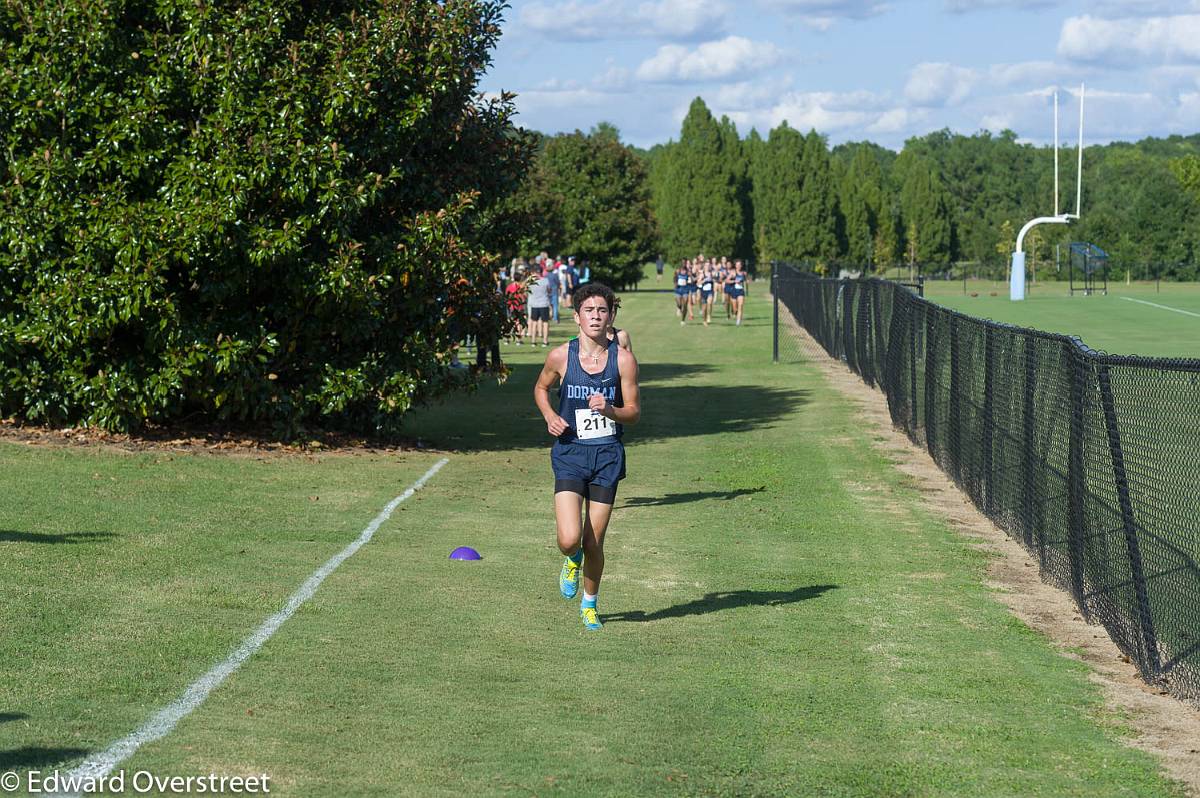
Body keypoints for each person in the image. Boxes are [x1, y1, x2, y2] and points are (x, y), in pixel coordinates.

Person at [533, 283, 641, 631]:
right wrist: (550, 415)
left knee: (595, 540)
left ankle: (590, 604)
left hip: (607, 456)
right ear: (577, 316)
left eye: (602, 310)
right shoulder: (560, 356)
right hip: (570, 452)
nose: (596, 316)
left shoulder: (622, 359)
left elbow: (634, 412)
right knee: (569, 538)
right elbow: (540, 388)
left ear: (611, 316)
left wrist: (610, 410)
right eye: (589, 311)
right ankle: (571, 559)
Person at [527, 267, 552, 346]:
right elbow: (549, 290)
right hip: (544, 303)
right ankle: (545, 341)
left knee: (534, 322)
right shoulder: (546, 280)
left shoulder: (531, 281)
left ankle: (533, 341)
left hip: (534, 304)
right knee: (545, 322)